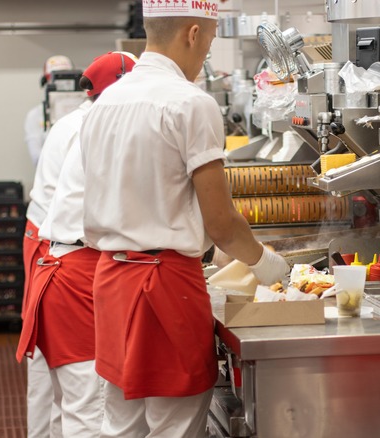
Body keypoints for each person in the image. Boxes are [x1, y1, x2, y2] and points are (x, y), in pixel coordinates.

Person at [79, 2, 289, 436]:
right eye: (210, 43)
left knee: (120, 425)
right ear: (193, 34)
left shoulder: (105, 102)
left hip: (111, 280)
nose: (205, 56)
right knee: (175, 428)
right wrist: (270, 266)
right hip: (166, 286)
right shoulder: (191, 103)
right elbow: (222, 223)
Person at [16, 51, 138, 437]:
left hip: (53, 256)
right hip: (73, 265)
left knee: (60, 393)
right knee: (88, 402)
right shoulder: (102, 129)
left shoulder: (77, 121)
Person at [22, 55, 80, 438]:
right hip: (47, 238)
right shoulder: (41, 118)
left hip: (60, 238)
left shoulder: (86, 118)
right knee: (45, 355)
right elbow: (38, 157)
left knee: (64, 369)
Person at [24, 55, 74, 167]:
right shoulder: (35, 115)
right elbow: (37, 158)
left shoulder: (86, 110)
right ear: (45, 82)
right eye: (56, 78)